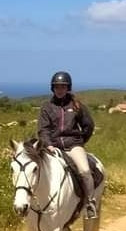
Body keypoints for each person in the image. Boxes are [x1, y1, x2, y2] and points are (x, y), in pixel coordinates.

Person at [37, 71, 97, 219]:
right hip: (53, 147)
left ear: (67, 87)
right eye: (57, 87)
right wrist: (49, 145)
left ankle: (90, 203)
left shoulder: (77, 106)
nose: (60, 90)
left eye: (63, 87)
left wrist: (80, 142)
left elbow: (88, 125)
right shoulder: (47, 107)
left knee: (84, 170)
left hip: (73, 146)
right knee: (38, 170)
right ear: (53, 88)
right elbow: (43, 130)